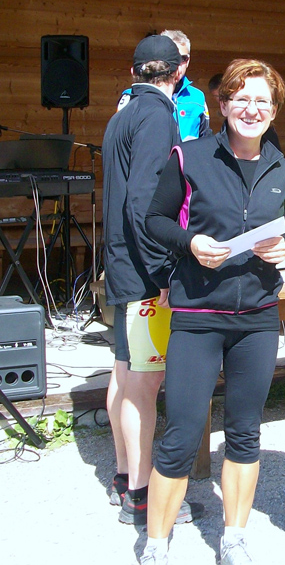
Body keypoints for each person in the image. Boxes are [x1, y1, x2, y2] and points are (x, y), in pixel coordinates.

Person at [140, 60, 285, 565]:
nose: (252, 109)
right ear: (223, 105)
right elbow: (154, 219)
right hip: (198, 313)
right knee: (182, 434)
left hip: (257, 317)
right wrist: (190, 242)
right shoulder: (190, 156)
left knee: (245, 432)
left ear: (274, 111)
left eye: (263, 101)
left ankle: (234, 538)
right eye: (241, 99)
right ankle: (156, 545)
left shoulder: (282, 167)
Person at [102, 35, 202, 526]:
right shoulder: (158, 115)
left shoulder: (122, 112)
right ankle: (142, 497)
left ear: (135, 70)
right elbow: (144, 199)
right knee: (144, 383)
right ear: (177, 71)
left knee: (124, 374)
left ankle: (124, 478)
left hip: (123, 262)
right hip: (144, 269)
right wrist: (163, 268)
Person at [117, 29, 211, 142]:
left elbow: (206, 138)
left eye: (183, 59)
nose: (177, 64)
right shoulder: (132, 96)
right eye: (173, 58)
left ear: (188, 61)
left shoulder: (197, 97)